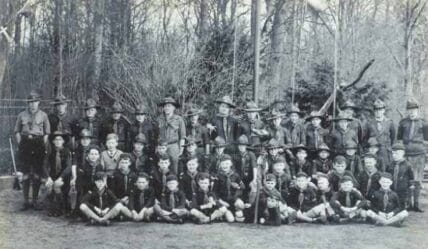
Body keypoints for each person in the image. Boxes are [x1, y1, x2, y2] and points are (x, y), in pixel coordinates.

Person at [14, 90, 51, 210]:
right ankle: (25, 201)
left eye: (35, 102)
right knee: (25, 173)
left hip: (38, 144)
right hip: (25, 143)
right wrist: (21, 144)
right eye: (30, 102)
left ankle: (35, 201)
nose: (32, 104)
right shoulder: (21, 115)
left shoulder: (44, 115)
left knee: (36, 173)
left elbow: (47, 132)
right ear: (28, 103)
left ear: (39, 102)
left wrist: (43, 144)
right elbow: (17, 131)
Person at [397, 98, 427, 212]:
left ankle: (417, 204)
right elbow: (399, 139)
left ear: (418, 110)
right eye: (409, 110)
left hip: (419, 155)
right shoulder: (403, 123)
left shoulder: (424, 123)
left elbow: (427, 140)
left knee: (418, 180)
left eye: (413, 110)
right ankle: (409, 203)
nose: (411, 112)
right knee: (408, 179)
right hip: (406, 155)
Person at [43, 131, 72, 216]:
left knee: (57, 186)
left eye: (60, 139)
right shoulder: (50, 151)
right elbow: (44, 165)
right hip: (52, 176)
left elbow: (68, 167)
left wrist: (61, 178)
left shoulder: (67, 151)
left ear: (63, 141)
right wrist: (48, 177)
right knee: (49, 186)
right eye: (56, 140)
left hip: (64, 177)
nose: (58, 141)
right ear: (53, 141)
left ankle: (60, 208)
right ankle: (52, 208)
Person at [212, 155, 247, 222]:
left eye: (227, 163)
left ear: (231, 164)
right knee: (231, 220)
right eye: (223, 164)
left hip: (233, 199)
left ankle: (236, 213)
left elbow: (243, 186)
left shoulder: (235, 175)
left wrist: (237, 186)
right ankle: (226, 213)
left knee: (240, 205)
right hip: (223, 200)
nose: (225, 165)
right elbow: (214, 191)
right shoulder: (218, 176)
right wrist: (220, 201)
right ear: (220, 165)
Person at [157, 97, 186, 174]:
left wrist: (181, 149)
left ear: (173, 108)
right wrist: (157, 147)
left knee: (174, 166)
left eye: (169, 106)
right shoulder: (159, 119)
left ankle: (174, 183)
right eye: (165, 106)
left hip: (173, 146)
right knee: (161, 167)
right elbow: (156, 134)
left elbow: (182, 135)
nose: (167, 108)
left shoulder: (179, 119)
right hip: (161, 147)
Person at [387, 142, 415, 210]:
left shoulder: (408, 165)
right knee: (392, 203)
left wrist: (411, 185)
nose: (394, 155)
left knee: (401, 204)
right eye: (393, 153)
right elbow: (387, 175)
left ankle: (401, 212)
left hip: (403, 189)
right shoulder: (390, 165)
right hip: (392, 188)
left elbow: (411, 177)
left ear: (403, 153)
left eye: (397, 153)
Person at [370, 99, 395, 166]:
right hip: (373, 151)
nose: (378, 112)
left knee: (385, 170)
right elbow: (365, 138)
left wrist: (389, 148)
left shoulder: (389, 122)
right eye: (376, 110)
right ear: (374, 111)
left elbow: (393, 138)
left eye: (380, 110)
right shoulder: (369, 123)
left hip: (385, 151)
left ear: (384, 110)